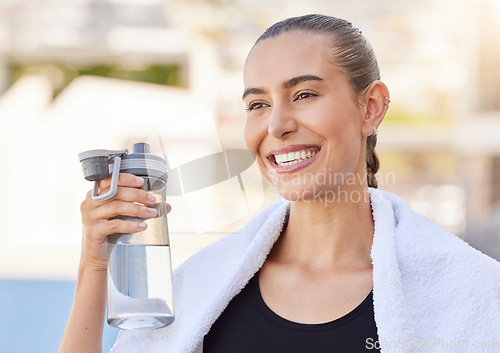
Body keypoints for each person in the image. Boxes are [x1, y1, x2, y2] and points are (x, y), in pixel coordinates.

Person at [59, 14, 500, 353]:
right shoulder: (201, 290)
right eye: (257, 103)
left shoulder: (468, 295)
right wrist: (95, 266)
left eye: (304, 94)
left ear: (370, 107)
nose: (277, 124)